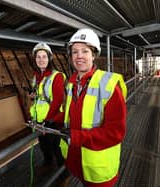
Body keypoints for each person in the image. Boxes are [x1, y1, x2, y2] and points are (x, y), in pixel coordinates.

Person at [59, 28, 127, 187]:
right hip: (78, 161)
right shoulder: (72, 84)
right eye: (75, 52)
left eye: (85, 51)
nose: (79, 56)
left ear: (94, 54)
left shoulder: (109, 86)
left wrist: (77, 137)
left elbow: (116, 133)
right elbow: (71, 115)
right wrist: (50, 123)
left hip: (98, 168)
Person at [28, 42, 66, 175]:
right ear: (35, 59)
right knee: (43, 144)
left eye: (44, 56)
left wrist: (48, 119)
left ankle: (63, 174)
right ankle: (48, 163)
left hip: (52, 120)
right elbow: (39, 95)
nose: (41, 60)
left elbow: (57, 100)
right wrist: (32, 96)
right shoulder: (36, 76)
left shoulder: (57, 76)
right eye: (38, 57)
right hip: (39, 118)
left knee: (56, 146)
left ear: (49, 58)